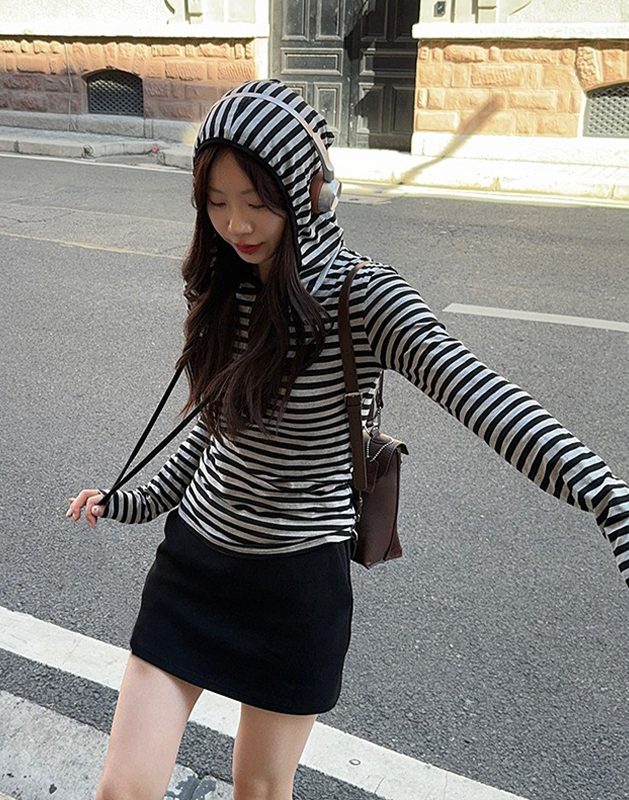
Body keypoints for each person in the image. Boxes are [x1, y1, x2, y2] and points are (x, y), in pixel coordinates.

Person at [67, 79, 629, 800]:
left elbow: (485, 397)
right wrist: (134, 500)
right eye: (216, 201)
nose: (236, 224)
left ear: (316, 192)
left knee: (259, 790)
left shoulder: (365, 299)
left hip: (296, 585)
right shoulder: (227, 288)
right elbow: (213, 434)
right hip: (194, 567)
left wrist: (605, 495)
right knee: (122, 788)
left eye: (257, 200)